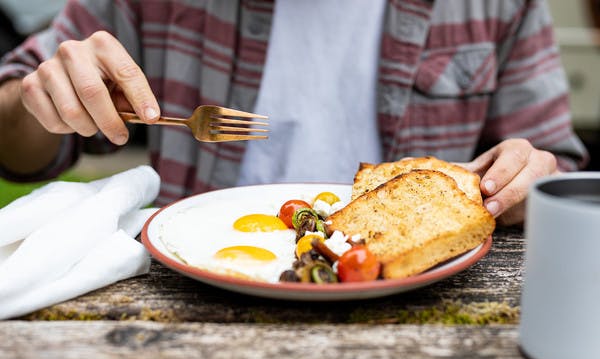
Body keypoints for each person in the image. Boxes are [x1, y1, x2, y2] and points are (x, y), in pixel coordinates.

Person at [0, 0, 589, 226]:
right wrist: (39, 101)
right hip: (197, 301)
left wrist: (523, 182)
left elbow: (551, 165)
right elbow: (15, 141)